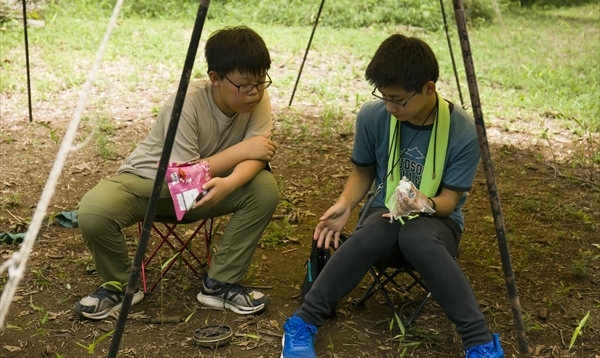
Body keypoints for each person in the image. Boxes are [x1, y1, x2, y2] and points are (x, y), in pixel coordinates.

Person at [281, 34, 505, 358]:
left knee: (416, 235)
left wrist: (424, 204)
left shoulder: (463, 131)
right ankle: (301, 324)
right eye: (384, 96)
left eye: (398, 100)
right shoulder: (374, 117)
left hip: (438, 223)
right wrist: (344, 205)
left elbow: (450, 201)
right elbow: (363, 172)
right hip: (383, 212)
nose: (390, 107)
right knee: (376, 228)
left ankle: (479, 343)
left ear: (429, 88)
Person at [73, 26, 280, 320]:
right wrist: (241, 151)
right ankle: (120, 286)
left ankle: (220, 284)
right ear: (215, 79)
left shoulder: (258, 99)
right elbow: (183, 178)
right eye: (245, 84)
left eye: (261, 82)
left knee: (264, 188)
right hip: (149, 186)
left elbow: (259, 154)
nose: (255, 92)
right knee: (94, 212)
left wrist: (231, 182)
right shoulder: (187, 102)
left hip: (206, 192)